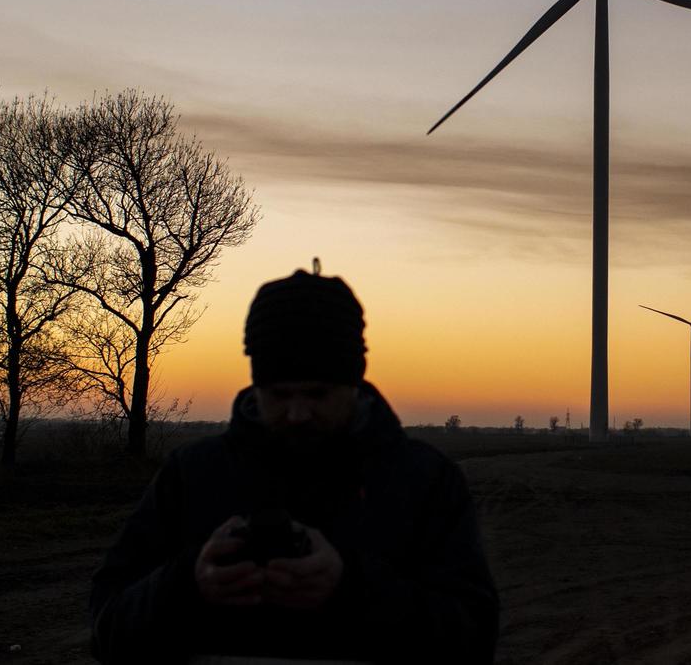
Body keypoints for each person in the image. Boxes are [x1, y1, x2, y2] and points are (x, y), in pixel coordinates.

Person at [90, 267, 500, 664]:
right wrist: (187, 584)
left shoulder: (425, 481)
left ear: (355, 381)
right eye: (279, 394)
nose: (298, 413)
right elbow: (106, 633)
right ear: (256, 384)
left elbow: (474, 641)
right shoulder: (191, 474)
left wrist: (351, 587)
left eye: (318, 394)